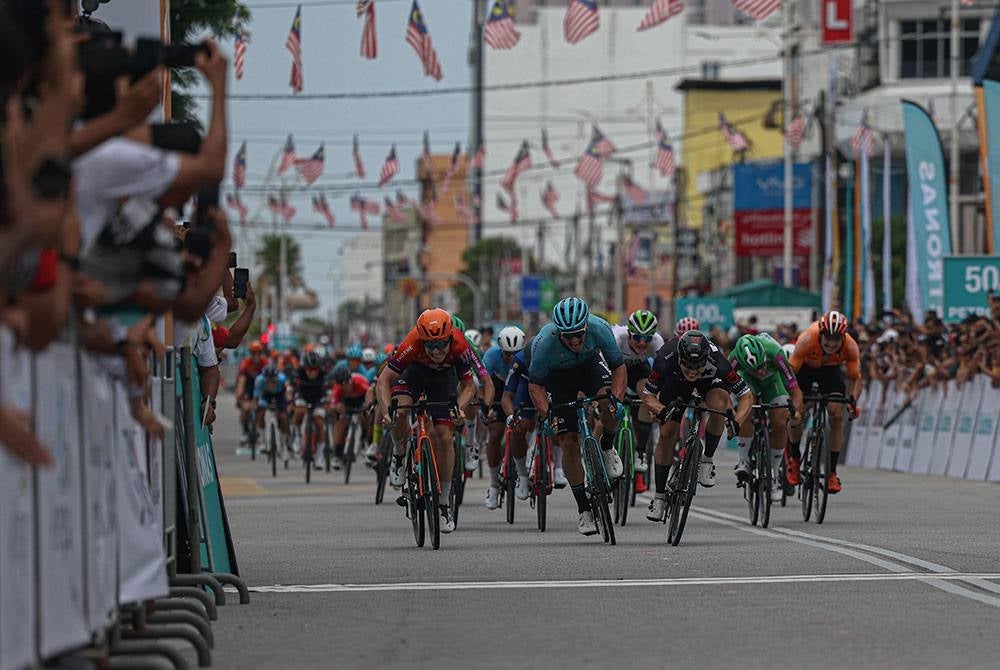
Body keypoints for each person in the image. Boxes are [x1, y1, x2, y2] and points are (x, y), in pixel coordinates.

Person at [528, 297, 626, 536]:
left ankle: (607, 445)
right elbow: (535, 385)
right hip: (558, 378)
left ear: (586, 327)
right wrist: (547, 414)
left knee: (608, 403)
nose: (574, 340)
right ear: (558, 333)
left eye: (579, 335)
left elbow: (618, 367)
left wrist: (617, 399)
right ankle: (584, 509)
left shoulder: (600, 328)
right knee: (568, 442)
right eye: (568, 336)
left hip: (589, 366)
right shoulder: (543, 342)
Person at [376, 309, 477, 534]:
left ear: (450, 338)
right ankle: (399, 455)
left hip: (442, 380)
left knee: (445, 437)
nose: (436, 350)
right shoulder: (411, 343)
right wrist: (386, 412)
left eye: (441, 344)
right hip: (413, 374)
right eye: (430, 345)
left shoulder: (460, 345)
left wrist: (459, 408)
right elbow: (383, 380)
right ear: (422, 340)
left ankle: (443, 504)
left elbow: (469, 386)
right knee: (400, 412)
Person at [642, 330, 754, 522]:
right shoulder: (665, 358)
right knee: (667, 433)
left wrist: (738, 420)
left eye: (698, 365)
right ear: (680, 358)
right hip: (676, 384)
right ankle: (659, 497)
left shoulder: (718, 361)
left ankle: (707, 459)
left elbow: (746, 395)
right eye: (689, 365)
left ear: (706, 359)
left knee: (720, 404)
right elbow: (648, 395)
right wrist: (661, 410)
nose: (693, 371)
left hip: (709, 383)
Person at [787, 310, 862, 494]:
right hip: (805, 369)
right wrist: (794, 401)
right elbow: (790, 375)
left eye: (836, 339)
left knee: (837, 416)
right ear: (820, 334)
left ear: (843, 337)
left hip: (830, 371)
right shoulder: (807, 339)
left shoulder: (850, 346)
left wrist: (852, 402)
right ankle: (794, 459)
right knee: (797, 414)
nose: (831, 344)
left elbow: (855, 378)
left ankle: (832, 473)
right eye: (827, 338)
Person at [728, 334, 803, 501]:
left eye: (762, 365)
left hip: (773, 382)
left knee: (780, 423)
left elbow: (795, 389)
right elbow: (723, 390)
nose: (760, 371)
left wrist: (796, 412)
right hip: (748, 381)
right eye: (755, 368)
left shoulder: (775, 353)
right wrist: (731, 413)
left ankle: (774, 474)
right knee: (745, 411)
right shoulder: (733, 359)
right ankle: (743, 460)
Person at [611, 309, 664, 479]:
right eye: (637, 338)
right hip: (614, 368)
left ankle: (640, 452)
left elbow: (664, 372)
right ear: (629, 333)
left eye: (647, 339)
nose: (642, 343)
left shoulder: (657, 342)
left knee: (649, 396)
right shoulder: (617, 338)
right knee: (609, 401)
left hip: (637, 369)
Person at [481, 325, 527, 509]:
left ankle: (525, 466)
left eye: (515, 353)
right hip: (497, 390)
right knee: (494, 434)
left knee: (524, 427)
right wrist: (486, 408)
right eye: (507, 354)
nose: (511, 358)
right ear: (500, 350)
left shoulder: (526, 357)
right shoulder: (491, 356)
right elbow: (483, 385)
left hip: (519, 389)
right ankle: (493, 485)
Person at [330, 364, 372, 469]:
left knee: (366, 417)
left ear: (350, 380)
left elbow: (369, 394)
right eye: (342, 384)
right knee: (341, 423)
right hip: (346, 402)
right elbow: (333, 405)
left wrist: (367, 406)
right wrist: (337, 408)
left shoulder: (359, 382)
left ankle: (367, 441)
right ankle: (337, 453)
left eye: (347, 383)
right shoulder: (337, 389)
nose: (345, 386)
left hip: (361, 399)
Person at [291, 351, 329, 464]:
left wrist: (328, 400)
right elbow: (290, 387)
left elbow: (329, 390)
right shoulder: (299, 372)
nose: (312, 372)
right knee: (299, 411)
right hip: (303, 396)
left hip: (318, 399)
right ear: (305, 368)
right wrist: (290, 397)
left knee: (319, 423)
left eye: (315, 369)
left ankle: (319, 455)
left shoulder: (324, 374)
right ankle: (297, 435)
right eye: (309, 369)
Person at [254, 364, 292, 458]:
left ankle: (283, 441)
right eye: (268, 380)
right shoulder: (259, 380)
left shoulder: (282, 378)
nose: (271, 383)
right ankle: (262, 440)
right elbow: (256, 395)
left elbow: (288, 390)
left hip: (280, 395)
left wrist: (289, 399)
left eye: (273, 380)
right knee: (261, 412)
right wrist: (256, 405)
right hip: (266, 395)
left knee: (283, 417)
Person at [235, 340, 267, 442]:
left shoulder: (265, 362)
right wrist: (239, 396)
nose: (256, 355)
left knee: (261, 409)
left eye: (258, 352)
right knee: (246, 408)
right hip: (248, 386)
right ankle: (244, 431)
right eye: (254, 353)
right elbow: (241, 380)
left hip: (261, 387)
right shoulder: (246, 363)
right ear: (251, 353)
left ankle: (258, 430)